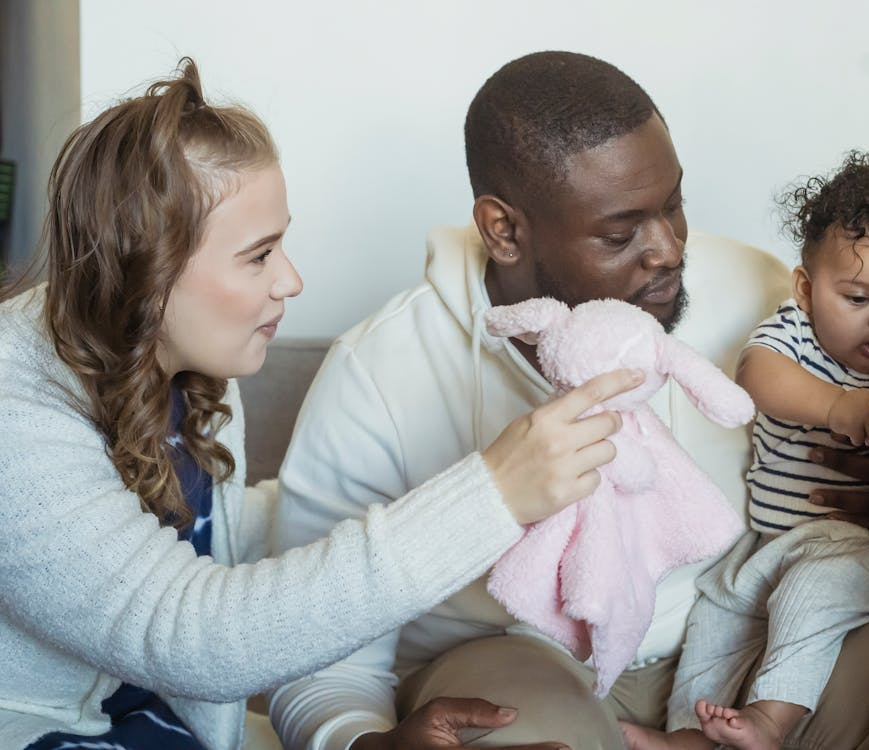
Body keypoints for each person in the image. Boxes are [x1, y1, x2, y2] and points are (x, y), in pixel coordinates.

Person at [271, 51, 869, 750]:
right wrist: (358, 742)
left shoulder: (762, 292)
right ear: (504, 230)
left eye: (674, 205)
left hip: (747, 634)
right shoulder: (379, 370)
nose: (668, 250)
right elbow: (311, 650)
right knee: (520, 732)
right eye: (620, 235)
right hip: (517, 657)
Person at [0, 58, 639, 750]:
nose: (291, 280)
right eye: (258, 255)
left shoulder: (187, 367)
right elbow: (189, 634)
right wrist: (486, 497)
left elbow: (204, 538)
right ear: (144, 271)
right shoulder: (16, 413)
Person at [622, 152, 869, 750]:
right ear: (806, 289)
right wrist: (838, 406)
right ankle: (688, 734)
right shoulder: (793, 335)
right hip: (771, 541)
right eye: (858, 299)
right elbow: (757, 374)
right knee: (720, 613)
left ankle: (771, 722)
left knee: (815, 592)